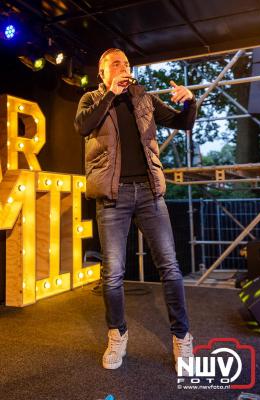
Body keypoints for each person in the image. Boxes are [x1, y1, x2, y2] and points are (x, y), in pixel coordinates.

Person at [74, 48, 197, 373]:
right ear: (102, 73)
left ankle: (182, 338)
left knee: (170, 267)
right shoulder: (90, 99)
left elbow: (182, 122)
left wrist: (189, 101)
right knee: (112, 275)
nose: (124, 68)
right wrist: (110, 96)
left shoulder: (143, 97)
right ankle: (117, 335)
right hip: (112, 197)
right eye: (116, 64)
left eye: (126, 64)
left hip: (149, 192)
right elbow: (83, 127)